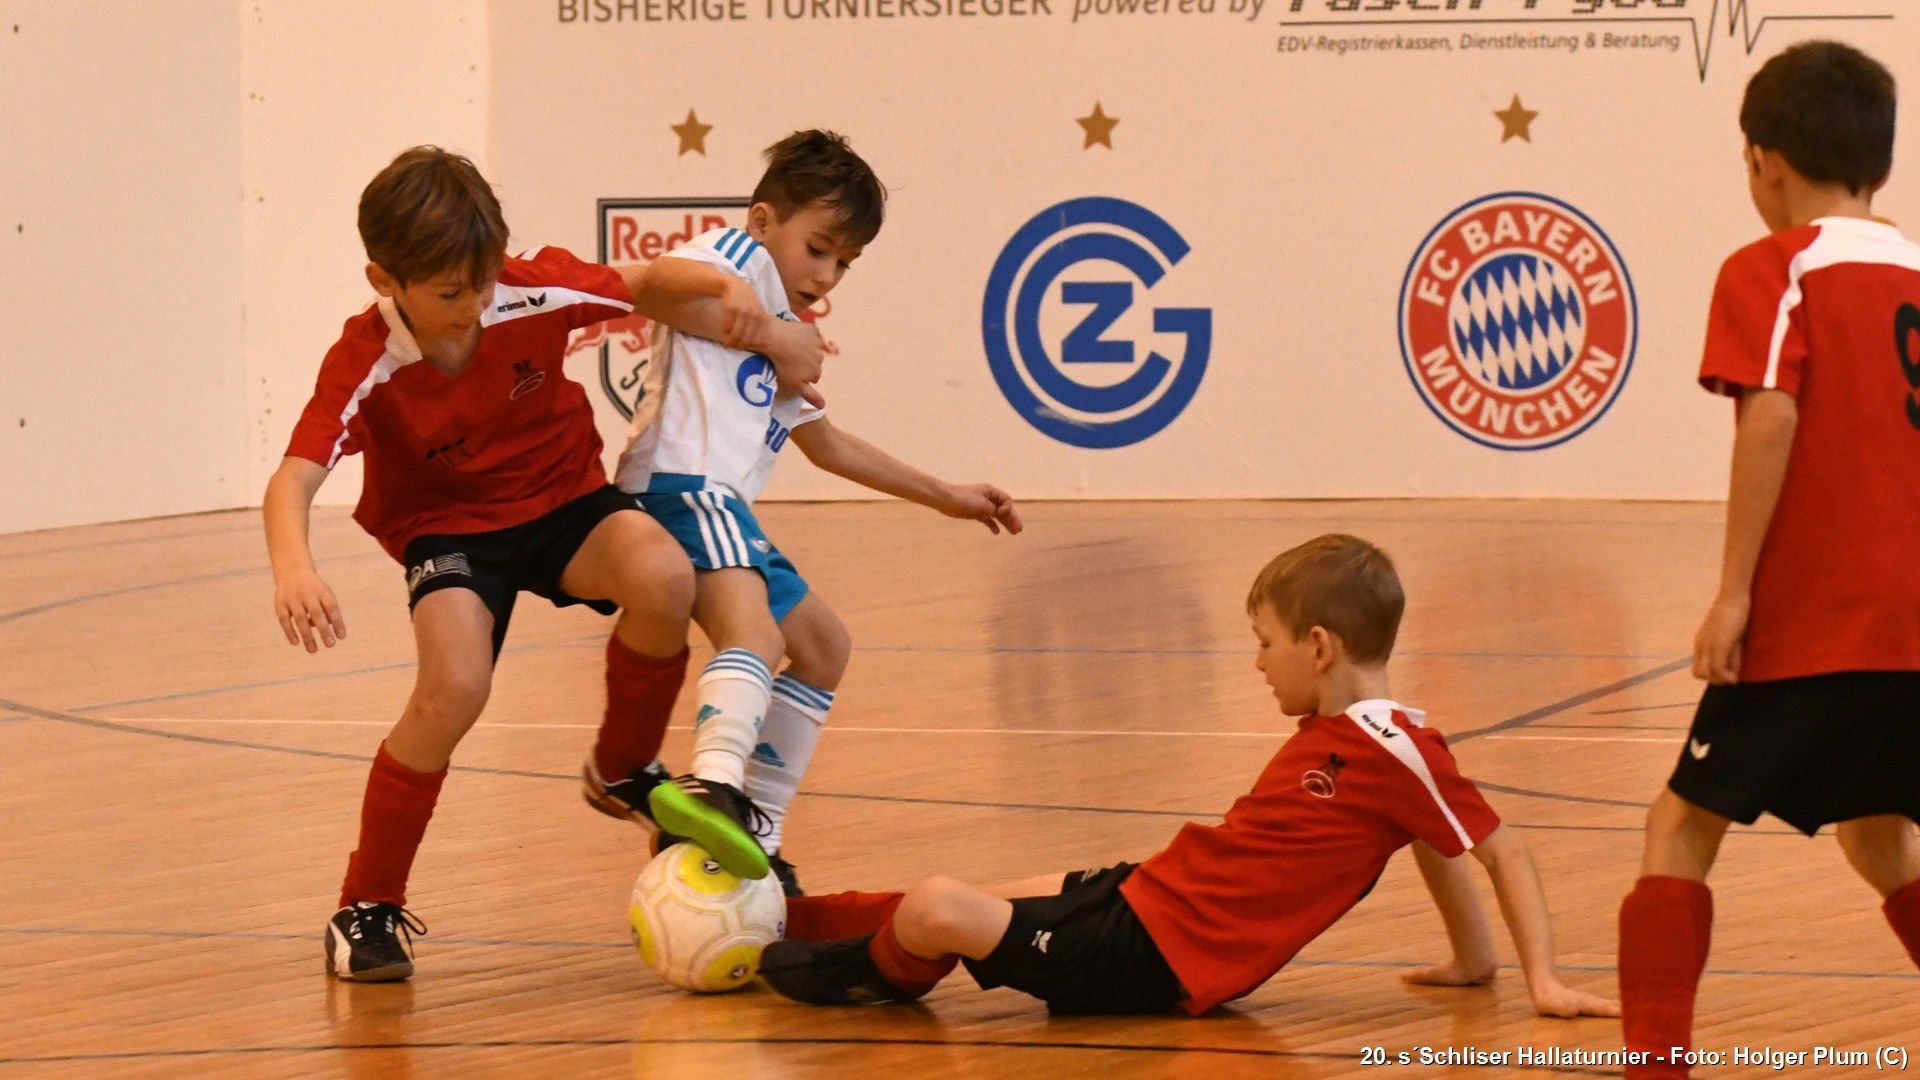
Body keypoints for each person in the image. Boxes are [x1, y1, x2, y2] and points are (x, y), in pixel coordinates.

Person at [265, 145, 822, 982]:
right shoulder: (365, 362)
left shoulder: (527, 288)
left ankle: (622, 769)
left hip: (563, 501)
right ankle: (366, 904)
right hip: (450, 530)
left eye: (484, 283)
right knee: (454, 687)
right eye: (450, 294)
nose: (474, 307)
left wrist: (738, 298)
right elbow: (293, 477)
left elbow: (645, 281)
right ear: (385, 280)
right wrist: (294, 568)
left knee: (664, 576)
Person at [760, 534, 1617, 1019]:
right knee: (973, 896)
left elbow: (1502, 852)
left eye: (1266, 643)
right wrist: (1472, 958)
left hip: (1156, 960)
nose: (1258, 663)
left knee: (938, 909)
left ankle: (834, 973)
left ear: (1319, 647)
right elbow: (1434, 837)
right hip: (1147, 896)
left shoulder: (1393, 746)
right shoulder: (1357, 740)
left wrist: (1542, 981)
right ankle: (776, 917)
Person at [589, 130, 1024, 886]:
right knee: (754, 633)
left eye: (844, 262)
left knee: (824, 646)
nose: (826, 275)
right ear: (763, 221)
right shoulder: (736, 261)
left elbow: (827, 445)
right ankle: (714, 788)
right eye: (817, 249)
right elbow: (654, 279)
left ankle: (758, 826)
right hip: (678, 486)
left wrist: (945, 496)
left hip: (722, 507)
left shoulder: (790, 335)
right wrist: (746, 308)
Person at [1617, 41, 1920, 1078]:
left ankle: (1656, 1063)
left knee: (1679, 828)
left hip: (1819, 621)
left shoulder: (1775, 268)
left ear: (1763, 161)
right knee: (1878, 837)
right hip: (1913, 628)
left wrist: (1733, 595)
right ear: (1882, 161)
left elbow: (1771, 415)